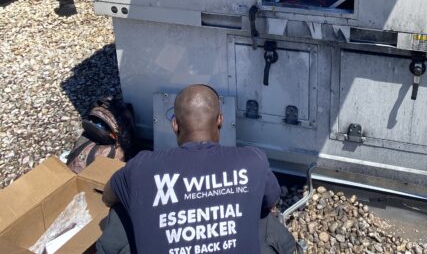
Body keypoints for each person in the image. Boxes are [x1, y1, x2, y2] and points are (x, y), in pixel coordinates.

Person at [98, 84, 296, 254]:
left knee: (120, 213)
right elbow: (271, 199)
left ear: (175, 125)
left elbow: (108, 197)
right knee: (264, 218)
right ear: (220, 120)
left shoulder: (140, 167)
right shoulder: (252, 160)